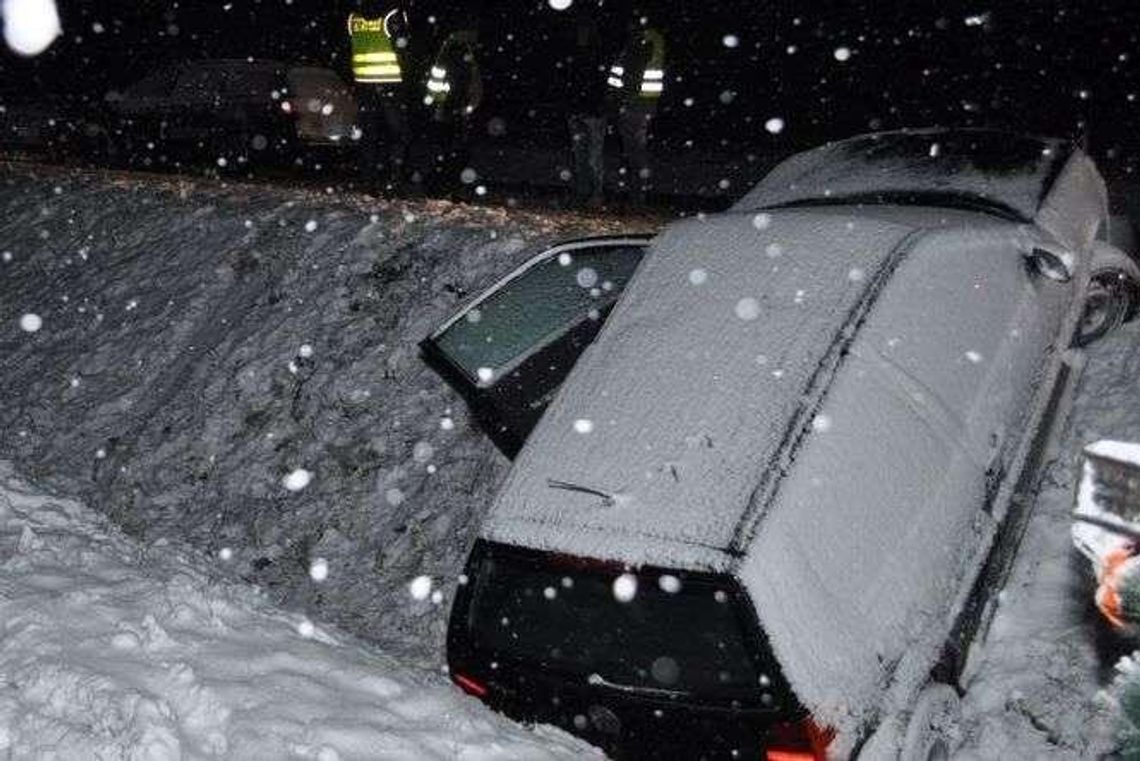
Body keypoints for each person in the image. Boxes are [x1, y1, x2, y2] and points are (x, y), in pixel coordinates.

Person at [347, 4, 413, 186]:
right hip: (391, 82)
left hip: (363, 83)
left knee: (369, 133)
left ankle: (368, 179)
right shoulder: (393, 13)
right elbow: (404, 49)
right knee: (399, 133)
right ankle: (394, 179)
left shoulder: (354, 17)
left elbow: (350, 48)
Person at [605, 18, 666, 205]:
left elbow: (627, 77)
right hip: (645, 104)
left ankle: (636, 193)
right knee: (636, 149)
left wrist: (617, 100)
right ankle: (637, 191)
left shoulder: (639, 43)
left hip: (634, 104)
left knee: (633, 150)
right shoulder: (655, 41)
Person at [424, 25, 482, 194]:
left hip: (446, 110)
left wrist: (438, 104)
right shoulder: (469, 57)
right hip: (459, 110)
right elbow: (476, 88)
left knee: (444, 150)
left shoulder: (445, 54)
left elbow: (434, 87)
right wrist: (469, 108)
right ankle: (454, 186)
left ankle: (442, 185)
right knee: (458, 151)